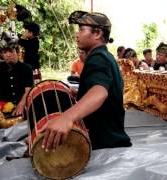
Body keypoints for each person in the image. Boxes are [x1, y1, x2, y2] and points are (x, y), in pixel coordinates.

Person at [42, 10, 132, 150]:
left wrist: (67, 117)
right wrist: (79, 94)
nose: (77, 34)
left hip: (104, 143)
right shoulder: (104, 55)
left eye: (82, 29)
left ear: (97, 33)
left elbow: (99, 92)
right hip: (110, 138)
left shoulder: (98, 58)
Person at [0, 33, 33, 116]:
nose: (8, 55)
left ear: (17, 52)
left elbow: (28, 90)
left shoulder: (26, 68)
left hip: (22, 106)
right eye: (5, 52)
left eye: (11, 51)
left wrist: (21, 105)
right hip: (1, 107)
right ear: (2, 54)